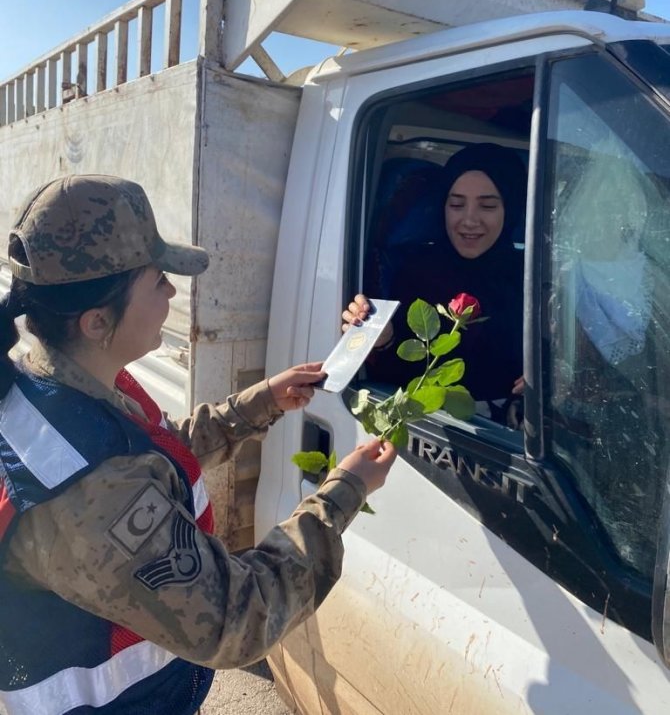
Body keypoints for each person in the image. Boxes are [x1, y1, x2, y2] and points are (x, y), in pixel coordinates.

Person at [0, 174, 396, 715]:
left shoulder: (57, 380)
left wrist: (260, 404)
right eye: (157, 279)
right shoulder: (89, 494)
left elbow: (154, 452)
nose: (170, 292)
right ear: (96, 321)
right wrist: (341, 494)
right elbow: (238, 619)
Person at [343, 142, 527, 409]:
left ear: (511, 210)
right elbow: (396, 382)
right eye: (456, 205)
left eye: (487, 206)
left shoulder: (533, 276)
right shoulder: (416, 273)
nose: (469, 220)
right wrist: (382, 340)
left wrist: (549, 380)